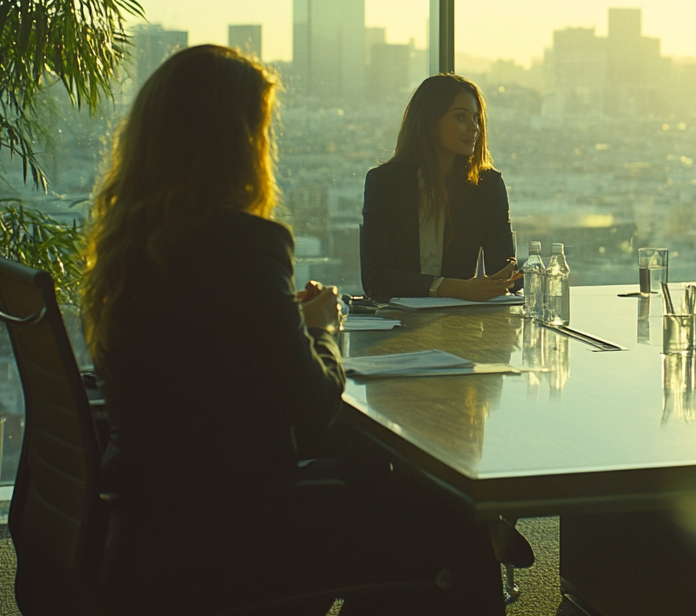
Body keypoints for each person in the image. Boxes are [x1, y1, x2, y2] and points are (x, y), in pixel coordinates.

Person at [82, 46, 504, 615]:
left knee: (380, 472)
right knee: (441, 512)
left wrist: (288, 323)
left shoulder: (129, 242)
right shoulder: (246, 243)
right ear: (234, 140)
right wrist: (324, 330)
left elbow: (206, 351)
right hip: (240, 527)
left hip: (150, 523)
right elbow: (312, 400)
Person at [361, 73, 519, 301]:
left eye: (476, 118)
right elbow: (375, 280)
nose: (474, 128)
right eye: (461, 117)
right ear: (430, 124)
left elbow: (502, 271)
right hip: (398, 323)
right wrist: (454, 288)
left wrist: (512, 274)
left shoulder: (486, 185)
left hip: (460, 323)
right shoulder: (385, 183)